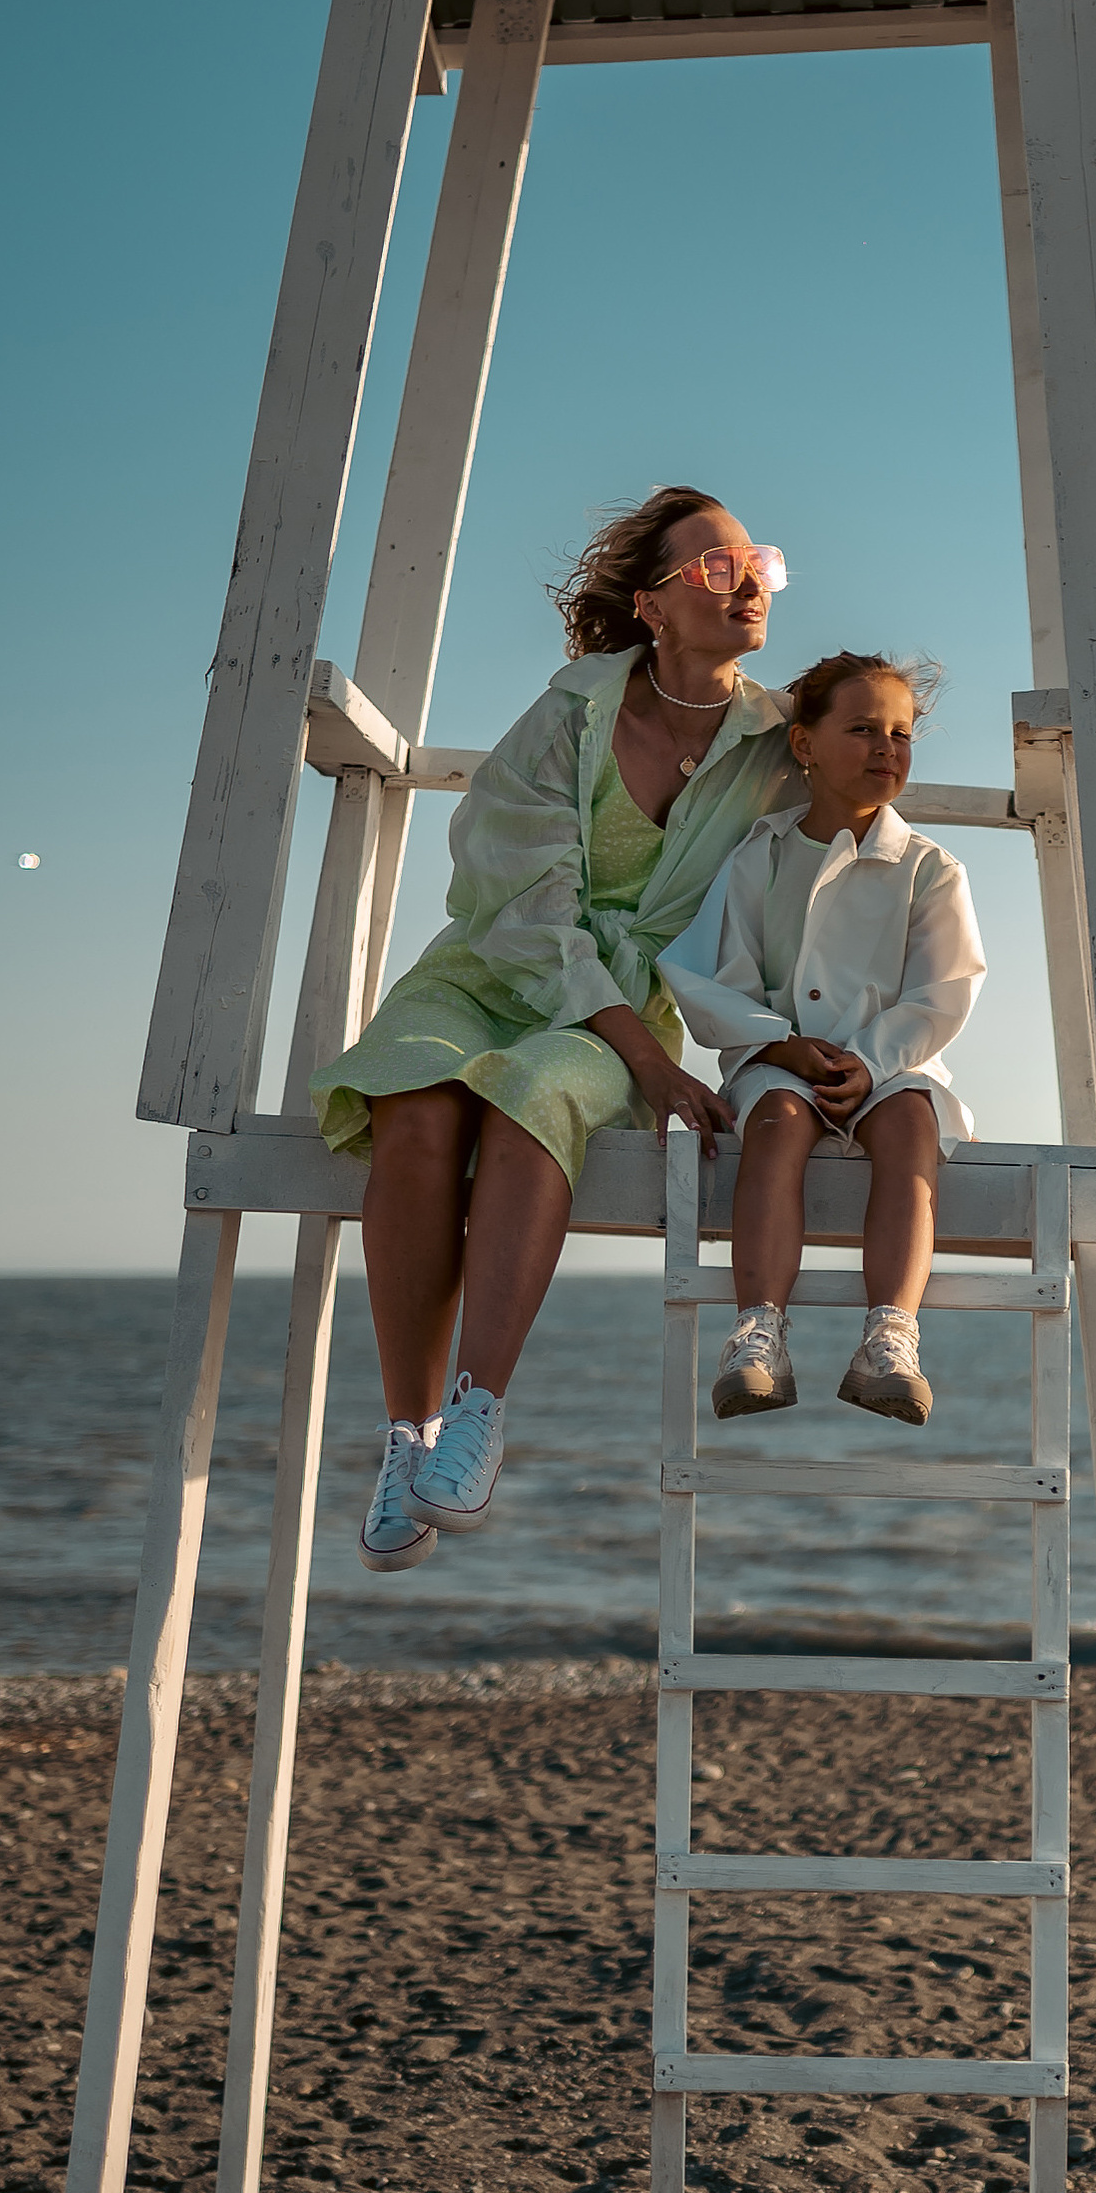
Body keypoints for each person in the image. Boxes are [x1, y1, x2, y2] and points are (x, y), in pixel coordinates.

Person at [310, 487, 803, 1575]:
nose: (750, 581)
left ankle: (479, 1408)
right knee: (419, 1098)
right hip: (491, 972)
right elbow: (525, 908)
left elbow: (872, 756)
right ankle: (408, 1439)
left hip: (621, 1008)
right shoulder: (570, 716)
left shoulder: (778, 740)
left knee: (534, 1095)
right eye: (716, 568)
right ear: (654, 606)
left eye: (759, 562)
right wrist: (645, 1060)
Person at [658, 651, 985, 1430]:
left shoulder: (930, 869)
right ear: (803, 744)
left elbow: (947, 987)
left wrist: (872, 1062)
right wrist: (780, 1045)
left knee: (912, 1126)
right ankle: (758, 1333)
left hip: (894, 1063)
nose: (886, 747)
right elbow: (710, 972)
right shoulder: (759, 857)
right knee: (774, 1122)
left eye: (902, 733)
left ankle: (890, 1337)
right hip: (779, 1062)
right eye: (863, 728)